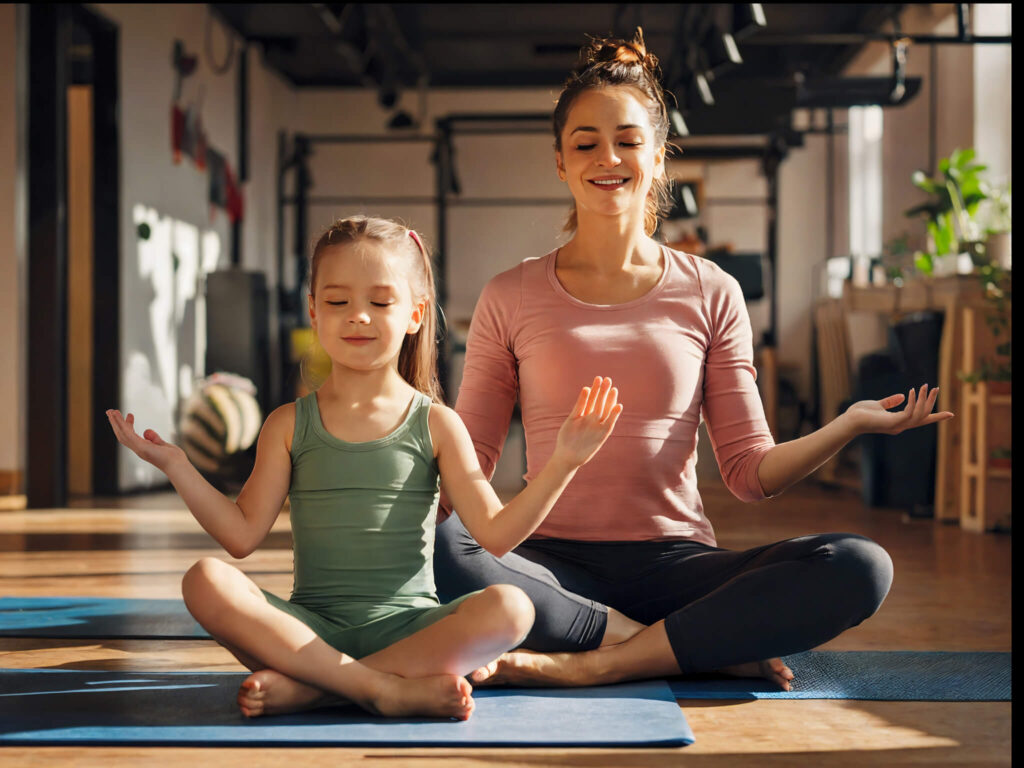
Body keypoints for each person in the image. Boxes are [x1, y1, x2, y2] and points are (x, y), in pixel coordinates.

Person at [434, 29, 953, 691]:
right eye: (585, 143)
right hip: (546, 573)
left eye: (627, 139)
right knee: (434, 542)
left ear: (658, 155)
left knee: (858, 565)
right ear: (561, 163)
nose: (607, 158)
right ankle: (678, 648)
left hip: (677, 569)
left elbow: (748, 474)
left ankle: (602, 662)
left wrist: (847, 424)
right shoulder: (509, 295)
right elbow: (467, 470)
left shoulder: (712, 291)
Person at [107, 215, 623, 720]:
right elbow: (241, 537)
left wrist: (564, 463)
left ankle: (318, 691)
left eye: (380, 302)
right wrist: (177, 466)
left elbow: (496, 535)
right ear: (314, 311)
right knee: (204, 579)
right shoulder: (287, 425)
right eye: (337, 302)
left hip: (409, 630)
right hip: (305, 632)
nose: (358, 316)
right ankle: (383, 688)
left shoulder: (437, 424)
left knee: (513, 607)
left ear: (415, 314)